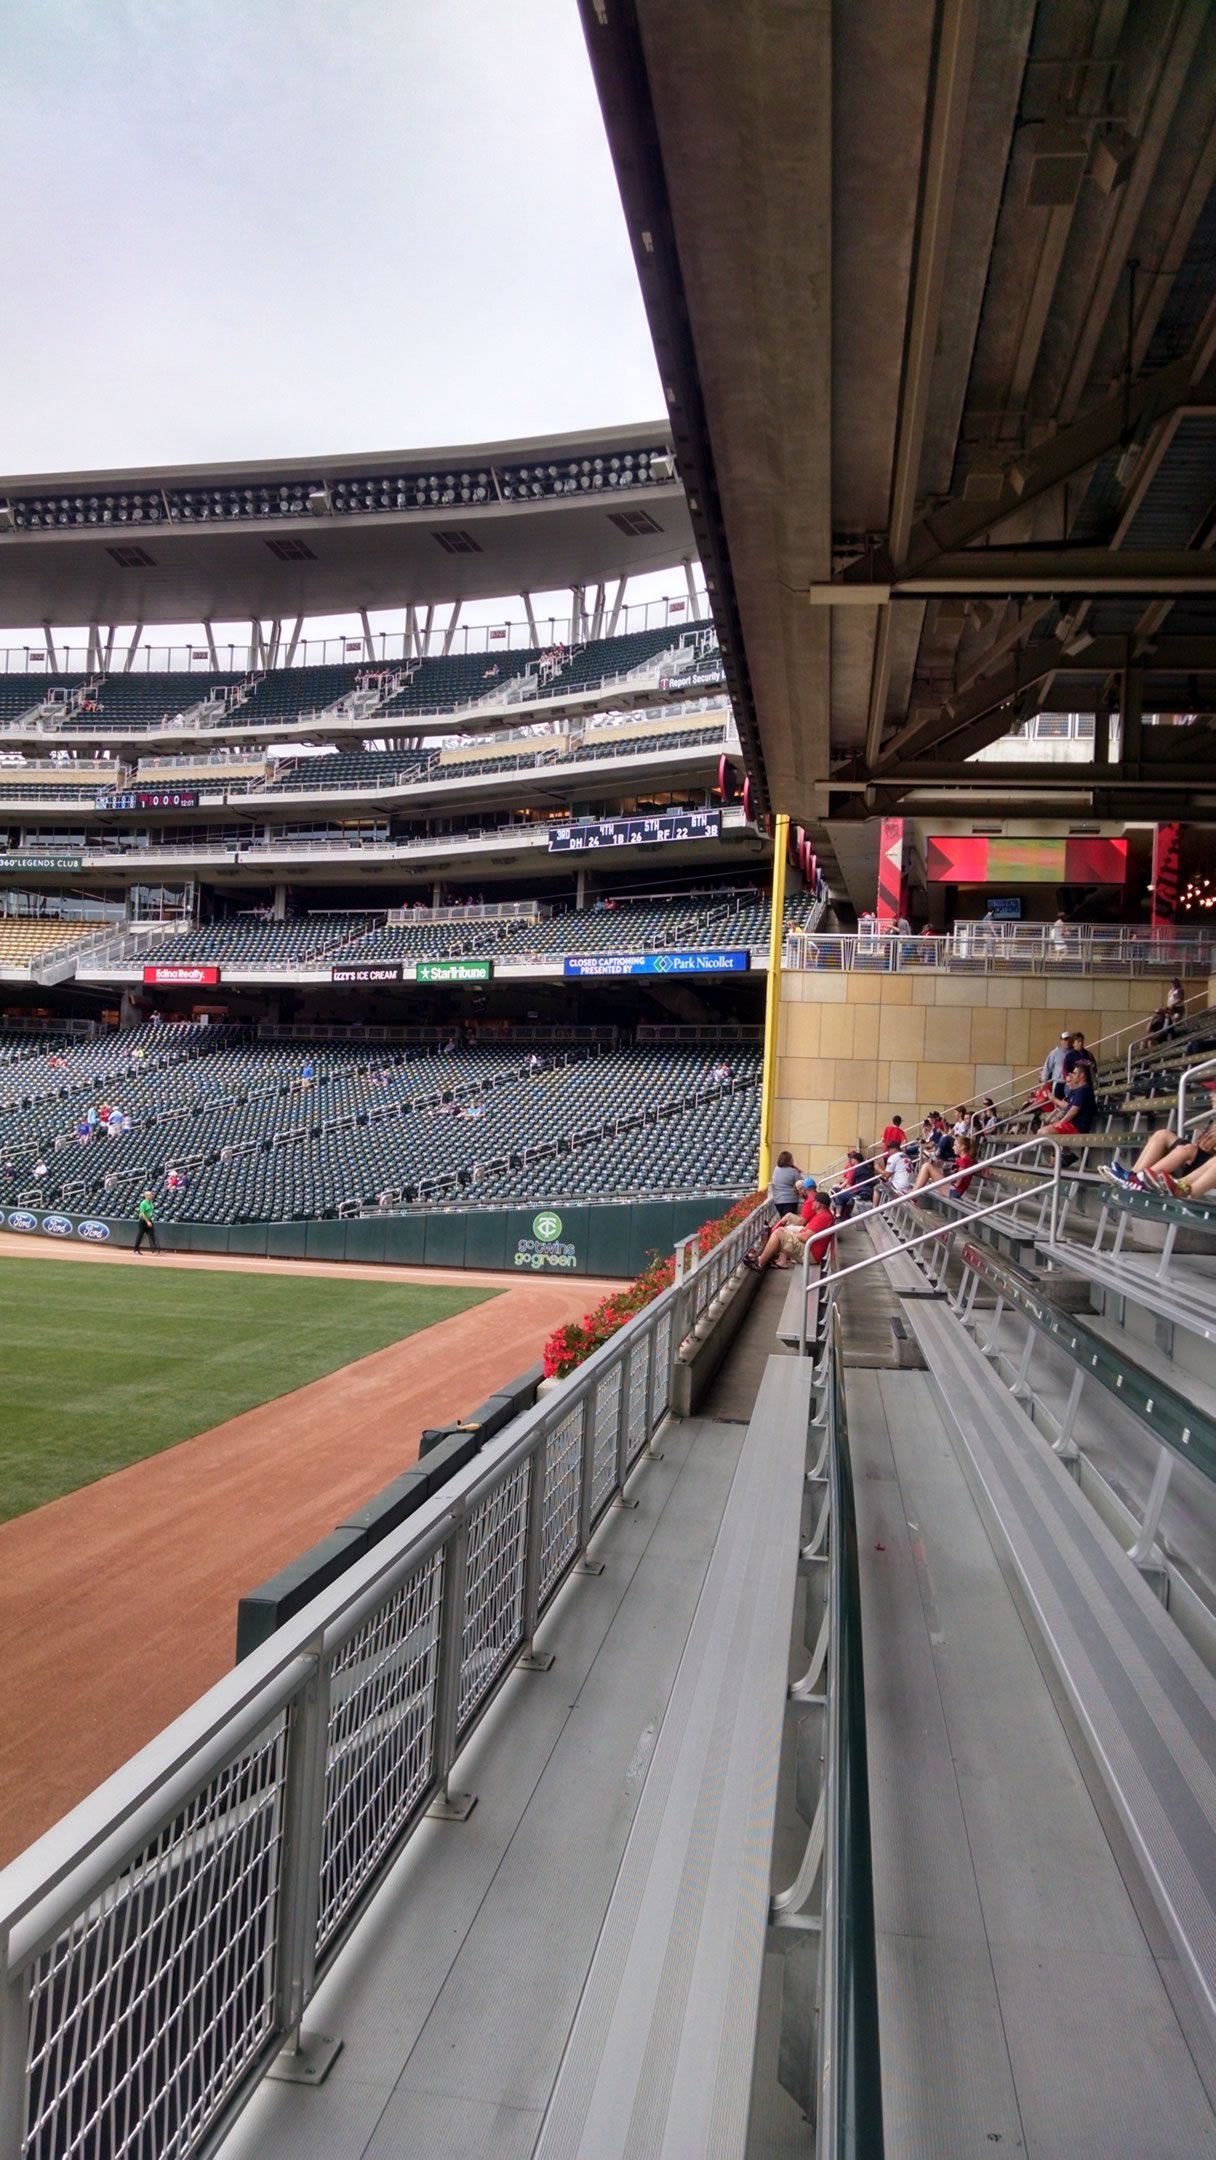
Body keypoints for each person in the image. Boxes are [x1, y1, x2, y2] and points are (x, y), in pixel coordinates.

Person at [1105, 1117, 1216, 1196]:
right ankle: (1132, 1177)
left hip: (1207, 1170)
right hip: (1204, 1163)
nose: (1212, 1095)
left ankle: (1141, 1180)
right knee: (1162, 1134)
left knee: (1187, 1150)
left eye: (1215, 1092)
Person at [768, 1150, 803, 1216]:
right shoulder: (793, 1171)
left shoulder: (776, 1169)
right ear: (790, 1160)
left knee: (783, 1219)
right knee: (789, 1222)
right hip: (790, 1200)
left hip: (778, 1200)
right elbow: (800, 1182)